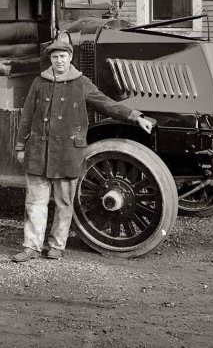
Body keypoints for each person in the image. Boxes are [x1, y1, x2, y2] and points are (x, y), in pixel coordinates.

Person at [12, 35, 154, 262]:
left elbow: (107, 104)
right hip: (38, 153)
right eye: (55, 57)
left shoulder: (81, 83)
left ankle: (56, 246)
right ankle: (31, 247)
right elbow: (27, 116)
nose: (59, 61)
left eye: (63, 57)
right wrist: (21, 146)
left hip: (68, 154)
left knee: (64, 203)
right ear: (50, 59)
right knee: (34, 203)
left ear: (70, 58)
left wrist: (136, 117)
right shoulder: (40, 82)